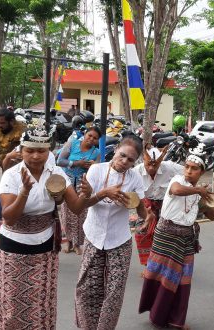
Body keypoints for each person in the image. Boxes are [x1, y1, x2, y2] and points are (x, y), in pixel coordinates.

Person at [0, 122, 87, 329]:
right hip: (14, 245)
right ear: (21, 151)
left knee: (42, 303)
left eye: (41, 151)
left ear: (48, 151)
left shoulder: (56, 172)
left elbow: (76, 208)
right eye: (30, 150)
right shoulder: (12, 175)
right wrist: (24, 191)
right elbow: (10, 217)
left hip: (45, 246)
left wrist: (87, 194)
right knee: (12, 303)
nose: (35, 156)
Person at [138, 148, 214, 329]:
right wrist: (198, 190)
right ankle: (157, 315)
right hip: (166, 235)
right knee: (162, 276)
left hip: (186, 239)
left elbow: (212, 214)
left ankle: (175, 319)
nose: (189, 171)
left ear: (202, 172)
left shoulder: (199, 194)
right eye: (187, 167)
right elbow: (175, 190)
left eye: (194, 168)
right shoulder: (177, 180)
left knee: (182, 280)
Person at [74, 135, 155, 330]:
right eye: (122, 155)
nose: (125, 162)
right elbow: (82, 204)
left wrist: (138, 208)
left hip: (120, 239)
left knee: (115, 290)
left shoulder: (134, 177)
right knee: (88, 287)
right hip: (94, 234)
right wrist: (103, 193)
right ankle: (88, 326)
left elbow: (142, 210)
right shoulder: (96, 170)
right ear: (116, 149)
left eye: (130, 160)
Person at [133, 145, 184, 267]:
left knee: (166, 236)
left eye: (155, 165)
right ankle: (148, 265)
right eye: (148, 164)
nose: (151, 168)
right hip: (145, 207)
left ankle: (165, 264)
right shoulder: (136, 171)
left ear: (160, 162)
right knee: (141, 234)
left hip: (166, 207)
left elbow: (188, 172)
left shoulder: (170, 167)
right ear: (143, 161)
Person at [56, 127, 101, 254]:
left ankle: (77, 244)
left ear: (97, 141)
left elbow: (97, 171)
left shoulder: (96, 153)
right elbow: (60, 161)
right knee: (66, 214)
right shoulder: (72, 144)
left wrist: (92, 166)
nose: (91, 139)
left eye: (95, 138)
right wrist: (77, 163)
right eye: (90, 135)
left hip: (83, 185)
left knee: (81, 214)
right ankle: (69, 242)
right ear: (85, 134)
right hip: (68, 183)